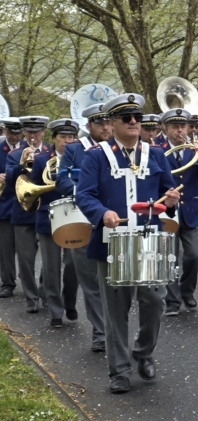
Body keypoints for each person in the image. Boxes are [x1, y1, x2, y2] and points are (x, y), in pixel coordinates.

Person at [76, 93, 180, 393]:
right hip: (112, 241)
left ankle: (143, 352)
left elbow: (167, 193)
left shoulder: (156, 154)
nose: (134, 122)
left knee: (155, 301)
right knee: (116, 310)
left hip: (148, 240)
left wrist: (171, 199)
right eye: (126, 118)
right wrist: (102, 213)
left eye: (137, 117)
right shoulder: (96, 156)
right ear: (112, 123)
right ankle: (119, 370)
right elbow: (84, 195)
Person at [56, 104, 110, 352]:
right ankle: (100, 333)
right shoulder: (75, 149)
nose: (105, 128)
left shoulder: (120, 149)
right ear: (89, 126)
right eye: (100, 123)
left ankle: (114, 329)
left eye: (108, 122)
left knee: (116, 282)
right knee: (91, 282)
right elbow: (61, 180)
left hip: (114, 220)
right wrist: (85, 189)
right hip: (83, 219)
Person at [159, 109, 198, 316]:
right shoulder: (157, 150)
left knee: (194, 255)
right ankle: (172, 300)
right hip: (167, 211)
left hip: (192, 210)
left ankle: (187, 291)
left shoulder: (194, 149)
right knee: (169, 258)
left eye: (182, 126)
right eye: (175, 127)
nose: (180, 131)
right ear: (165, 129)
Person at [30, 119, 80, 328]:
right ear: (54, 139)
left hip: (74, 216)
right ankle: (55, 311)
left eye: (71, 137)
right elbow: (32, 187)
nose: (67, 141)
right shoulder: (42, 159)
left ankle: (69, 302)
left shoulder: (82, 157)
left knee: (73, 265)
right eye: (63, 137)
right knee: (51, 267)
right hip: (48, 216)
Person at [5, 116, 51, 312]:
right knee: (26, 260)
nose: (33, 135)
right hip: (23, 213)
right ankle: (31, 299)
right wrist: (22, 164)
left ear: (43, 132)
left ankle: (45, 293)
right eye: (30, 131)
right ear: (24, 132)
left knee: (49, 260)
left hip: (46, 211)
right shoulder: (15, 154)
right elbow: (9, 180)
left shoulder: (51, 152)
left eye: (37, 131)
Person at [0, 118, 26, 298]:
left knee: (27, 249)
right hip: (4, 205)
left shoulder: (28, 148)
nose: (14, 137)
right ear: (5, 131)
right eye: (11, 133)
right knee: (6, 248)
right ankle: (8, 283)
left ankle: (29, 281)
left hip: (25, 205)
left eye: (17, 133)